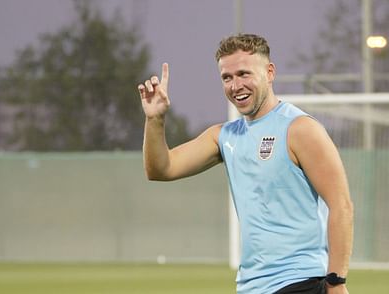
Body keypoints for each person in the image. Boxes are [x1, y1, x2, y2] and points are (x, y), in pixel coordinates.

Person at [137, 33, 354, 294]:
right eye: (227, 78)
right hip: (252, 287)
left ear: (270, 72)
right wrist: (155, 120)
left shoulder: (300, 129)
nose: (235, 85)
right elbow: (161, 169)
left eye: (244, 74)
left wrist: (336, 282)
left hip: (300, 282)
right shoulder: (224, 136)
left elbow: (341, 205)